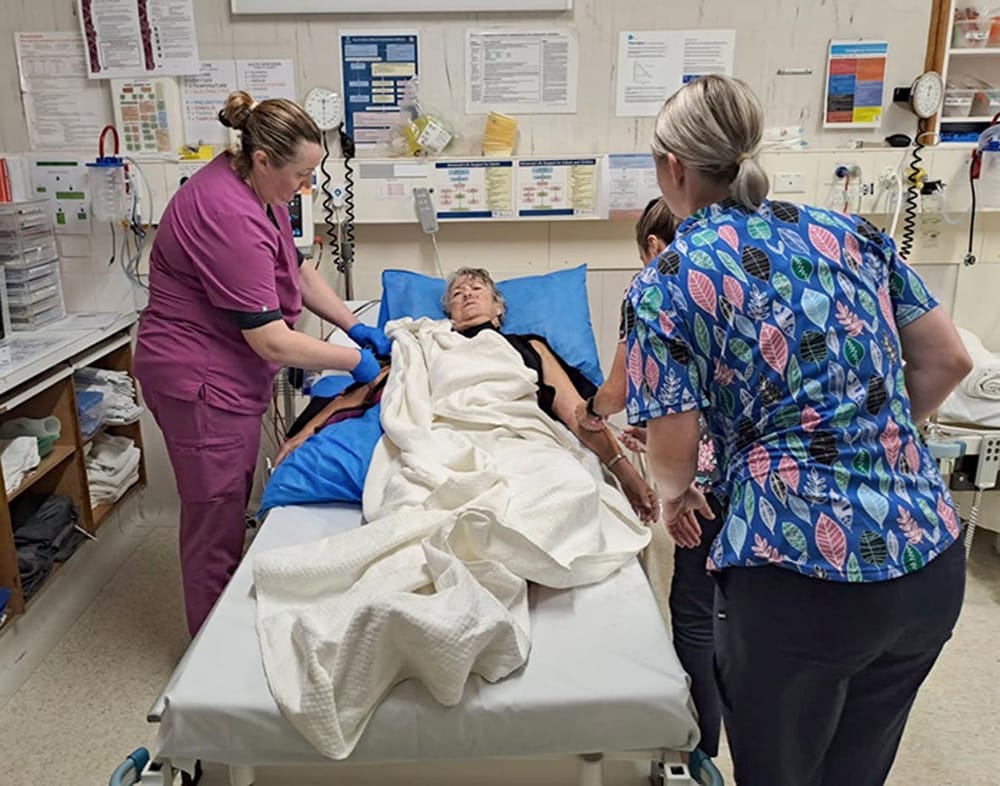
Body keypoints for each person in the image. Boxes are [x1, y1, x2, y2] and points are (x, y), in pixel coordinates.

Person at [626, 75, 972, 786]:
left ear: (672, 167)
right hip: (928, 559)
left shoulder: (670, 276)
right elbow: (948, 359)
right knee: (856, 771)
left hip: (800, 574)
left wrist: (676, 496)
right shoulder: (849, 233)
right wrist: (870, 433)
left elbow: (673, 442)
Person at [134, 91, 391, 636]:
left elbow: (294, 269)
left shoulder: (255, 187)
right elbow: (272, 342)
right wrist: (356, 363)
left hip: (225, 375)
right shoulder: (226, 213)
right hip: (198, 381)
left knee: (228, 506)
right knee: (215, 519)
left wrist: (352, 323)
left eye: (314, 172)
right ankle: (207, 657)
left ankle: (223, 619)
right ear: (262, 159)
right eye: (301, 174)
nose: (308, 187)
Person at [276, 267, 660, 524]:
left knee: (568, 490)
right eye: (457, 293)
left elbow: (577, 413)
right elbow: (368, 390)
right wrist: (305, 433)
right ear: (449, 312)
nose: (467, 294)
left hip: (519, 434)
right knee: (418, 501)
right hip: (446, 436)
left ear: (499, 307)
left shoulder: (531, 347)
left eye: (478, 289)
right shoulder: (424, 341)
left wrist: (624, 473)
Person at [575, 198, 724, 774]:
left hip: (703, 479)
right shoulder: (750, 269)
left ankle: (700, 748)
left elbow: (612, 391)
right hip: (760, 472)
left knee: (693, 610)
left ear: (653, 249)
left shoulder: (658, 283)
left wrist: (592, 413)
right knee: (742, 609)